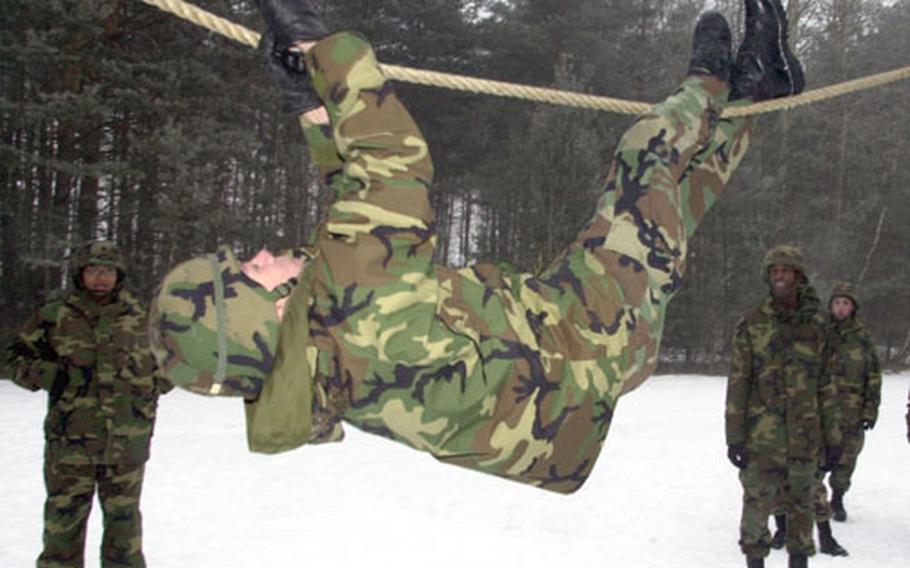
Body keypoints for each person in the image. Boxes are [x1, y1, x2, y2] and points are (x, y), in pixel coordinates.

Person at [150, 0, 801, 496]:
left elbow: (350, 203)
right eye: (248, 273)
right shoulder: (353, 314)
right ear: (256, 320)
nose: (259, 255)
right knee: (642, 162)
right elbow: (390, 170)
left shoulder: (320, 350)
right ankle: (714, 82)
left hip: (560, 368)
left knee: (667, 212)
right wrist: (323, 51)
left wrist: (310, 106)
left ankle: (755, 96)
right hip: (585, 343)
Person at [4, 240, 172, 567]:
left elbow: (175, 363)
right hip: (70, 444)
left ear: (119, 275)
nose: (100, 277)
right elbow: (14, 359)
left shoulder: (143, 317)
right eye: (94, 270)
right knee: (62, 530)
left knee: (123, 533)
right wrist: (48, 375)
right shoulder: (56, 315)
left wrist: (151, 386)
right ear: (80, 273)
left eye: (108, 271)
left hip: (126, 444)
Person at [725, 245, 842, 568]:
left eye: (786, 271)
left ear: (798, 276)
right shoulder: (752, 324)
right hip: (761, 438)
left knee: (802, 508)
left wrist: (833, 440)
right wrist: (734, 436)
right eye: (775, 271)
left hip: (806, 438)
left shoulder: (819, 327)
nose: (780, 276)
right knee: (756, 508)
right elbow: (739, 383)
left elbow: (828, 387)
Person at [820, 282, 882, 521]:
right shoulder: (820, 333)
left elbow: (873, 376)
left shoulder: (862, 338)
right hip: (822, 409)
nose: (841, 308)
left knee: (846, 457)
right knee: (817, 457)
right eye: (837, 303)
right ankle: (816, 500)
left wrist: (870, 410)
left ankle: (838, 497)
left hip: (852, 411)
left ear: (853, 307)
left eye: (846, 303)